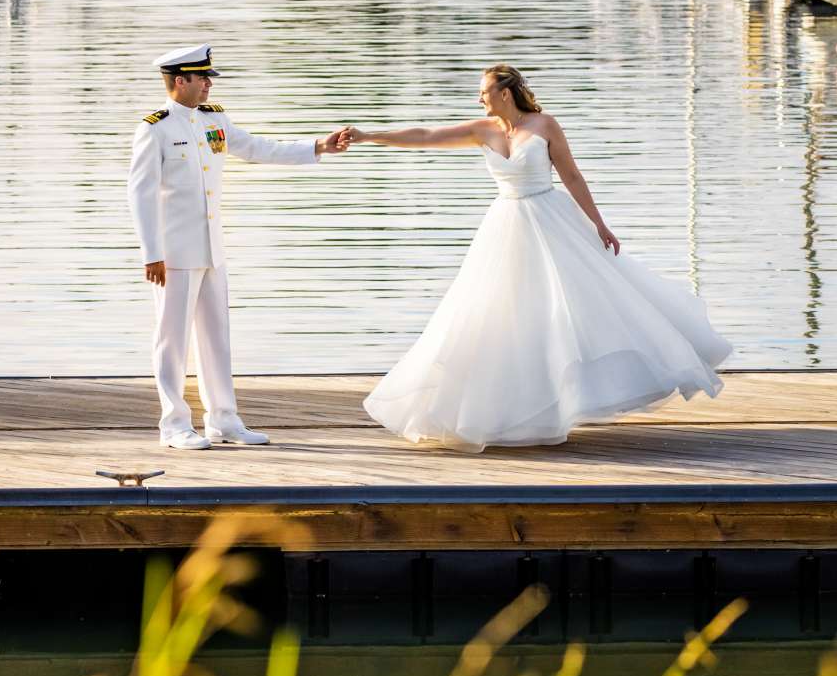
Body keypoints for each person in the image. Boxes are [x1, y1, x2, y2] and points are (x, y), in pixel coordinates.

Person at [344, 64, 728, 450]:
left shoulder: (545, 125)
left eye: (485, 92)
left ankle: (567, 401)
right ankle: (513, 410)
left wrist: (600, 225)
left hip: (550, 221)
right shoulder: (484, 130)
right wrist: (368, 136)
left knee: (568, 312)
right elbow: (426, 135)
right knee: (499, 316)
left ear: (505, 93)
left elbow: (573, 176)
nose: (480, 98)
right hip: (505, 228)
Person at [128, 45, 351, 449]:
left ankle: (223, 420)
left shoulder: (214, 120)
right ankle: (174, 424)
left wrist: (318, 146)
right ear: (181, 81)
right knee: (172, 340)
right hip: (174, 254)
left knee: (216, 337)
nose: (209, 84)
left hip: (212, 249)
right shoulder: (155, 128)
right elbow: (140, 194)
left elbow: (257, 148)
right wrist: (151, 253)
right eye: (203, 78)